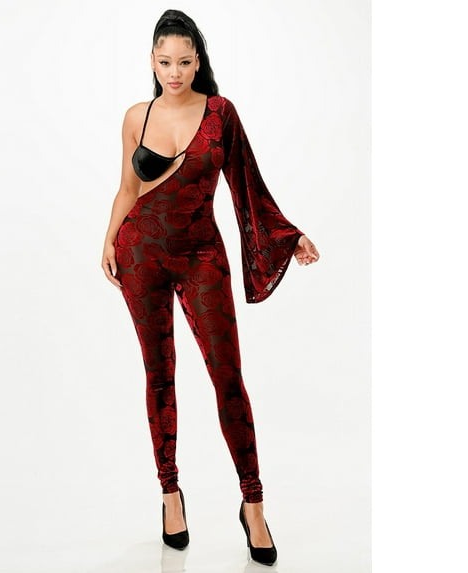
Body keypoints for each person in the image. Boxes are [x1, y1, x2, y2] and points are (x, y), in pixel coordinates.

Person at [101, 8, 320, 566]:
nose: (174, 72)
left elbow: (248, 182)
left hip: (202, 257)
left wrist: (287, 234)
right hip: (141, 254)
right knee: (159, 374)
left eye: (184, 61)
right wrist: (108, 240)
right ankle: (170, 494)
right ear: (152, 62)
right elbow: (128, 187)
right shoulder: (136, 117)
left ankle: (253, 505)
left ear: (198, 61)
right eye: (164, 62)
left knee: (228, 378)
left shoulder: (221, 113)